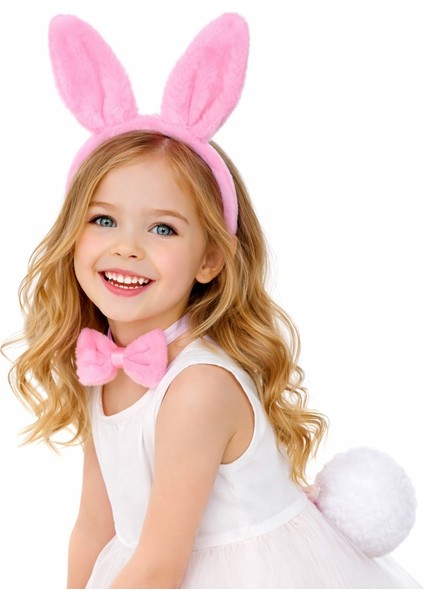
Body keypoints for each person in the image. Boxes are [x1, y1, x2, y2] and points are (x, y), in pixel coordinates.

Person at [2, 13, 420, 589]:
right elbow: (95, 528)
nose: (127, 247)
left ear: (210, 259)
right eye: (103, 220)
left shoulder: (197, 389)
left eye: (163, 229)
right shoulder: (103, 363)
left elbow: (159, 567)